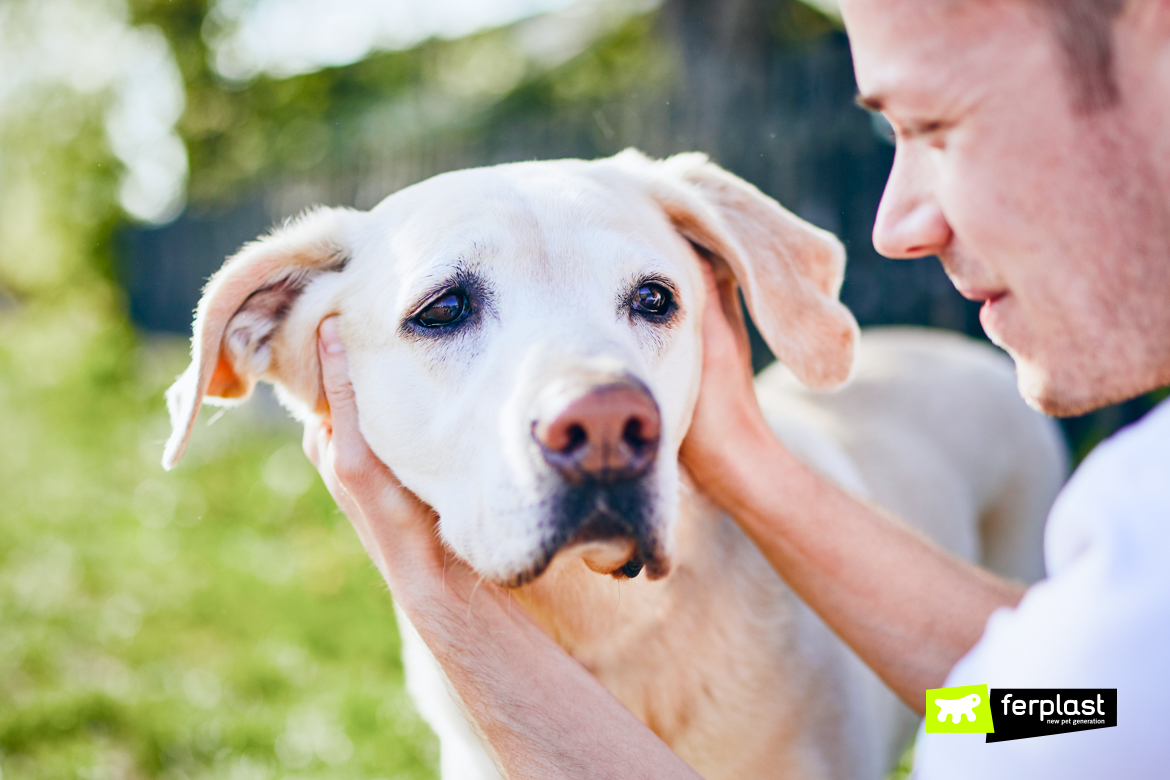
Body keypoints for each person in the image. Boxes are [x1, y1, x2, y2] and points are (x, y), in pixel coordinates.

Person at [302, 0, 1170, 776]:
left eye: (938, 125)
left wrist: (436, 594)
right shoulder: (1128, 635)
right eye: (446, 311)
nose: (893, 225)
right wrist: (745, 461)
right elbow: (1055, 705)